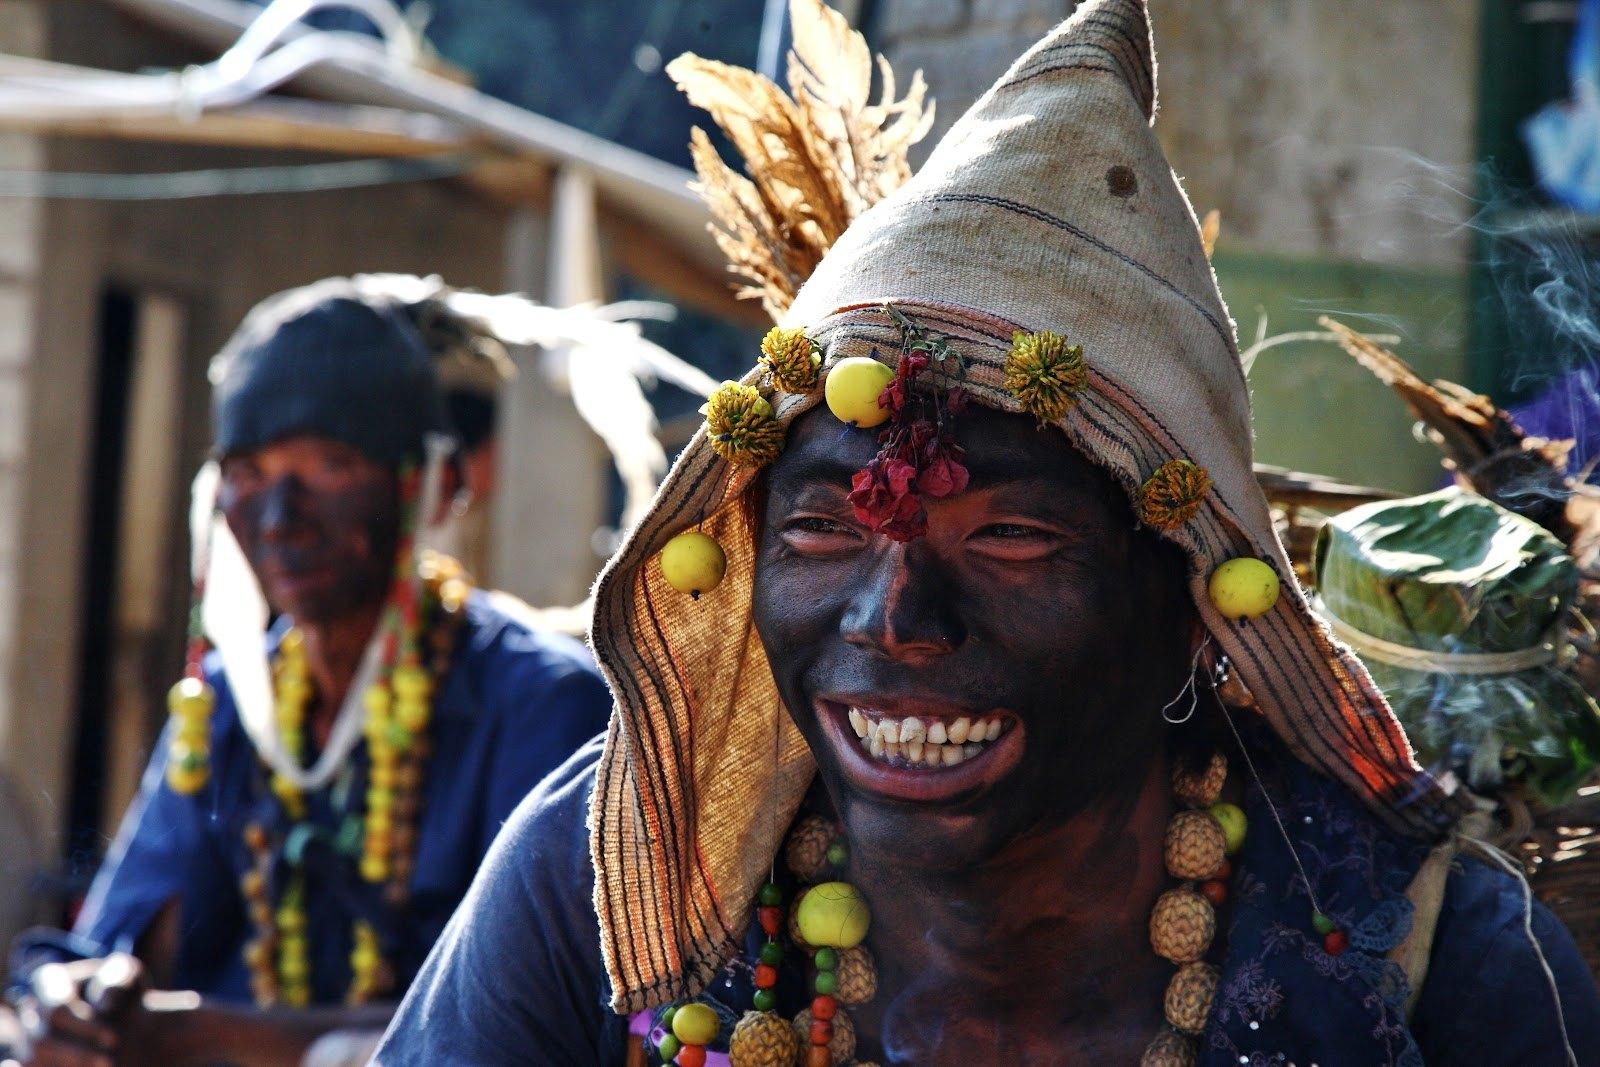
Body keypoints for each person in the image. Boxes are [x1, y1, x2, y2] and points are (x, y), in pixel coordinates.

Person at [377, 2, 1600, 1065]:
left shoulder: (1422, 953)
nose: (895, 619)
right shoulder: (611, 870)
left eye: (1010, 534)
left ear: (1190, 605)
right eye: (821, 531)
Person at [9, 278, 611, 1066]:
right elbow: (110, 948)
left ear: (439, 487)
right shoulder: (229, 705)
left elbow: (514, 1022)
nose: (279, 516)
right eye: (247, 473)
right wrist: (65, 1000)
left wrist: (196, 1033)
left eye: (330, 465)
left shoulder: (546, 703)